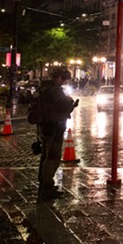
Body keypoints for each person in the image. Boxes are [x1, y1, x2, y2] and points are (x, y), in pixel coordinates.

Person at [35, 66, 78, 199]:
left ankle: (43, 184)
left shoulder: (43, 88)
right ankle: (46, 187)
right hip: (53, 127)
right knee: (52, 157)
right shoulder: (54, 90)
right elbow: (63, 106)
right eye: (64, 79)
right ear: (58, 77)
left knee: (45, 156)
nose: (64, 82)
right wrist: (71, 103)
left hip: (44, 126)